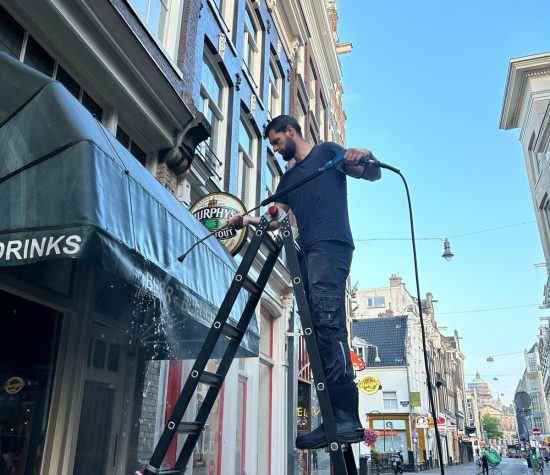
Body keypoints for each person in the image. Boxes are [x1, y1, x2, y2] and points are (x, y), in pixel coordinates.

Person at [229, 115, 381, 450]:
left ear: (290, 131)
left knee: (328, 324)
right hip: (310, 251)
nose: (275, 147)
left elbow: (371, 173)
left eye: (276, 141)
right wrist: (245, 220)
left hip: (332, 244)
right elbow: (275, 216)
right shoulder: (290, 178)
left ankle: (347, 419)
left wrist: (363, 153)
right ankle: (331, 420)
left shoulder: (328, 151)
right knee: (316, 330)